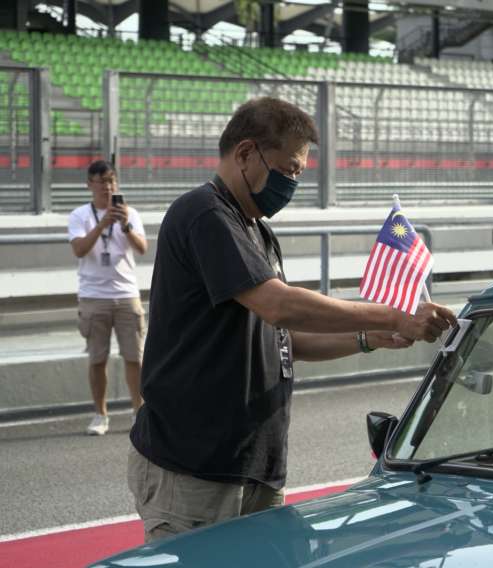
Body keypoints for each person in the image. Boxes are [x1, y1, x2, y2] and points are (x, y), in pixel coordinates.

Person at [128, 97, 456, 542]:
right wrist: (397, 316)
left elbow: (283, 339)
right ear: (245, 153)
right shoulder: (204, 214)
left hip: (252, 466)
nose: (293, 182)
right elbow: (279, 305)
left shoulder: (256, 231)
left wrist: (368, 337)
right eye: (290, 169)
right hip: (196, 470)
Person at [68, 160, 147, 436]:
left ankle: (139, 411)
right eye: (101, 182)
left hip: (126, 294)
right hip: (93, 296)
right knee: (97, 359)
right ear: (90, 184)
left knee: (134, 358)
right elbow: (79, 249)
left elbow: (142, 249)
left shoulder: (130, 213)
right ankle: (100, 415)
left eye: (112, 181)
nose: (107, 187)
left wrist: (125, 225)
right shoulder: (80, 215)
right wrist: (103, 223)